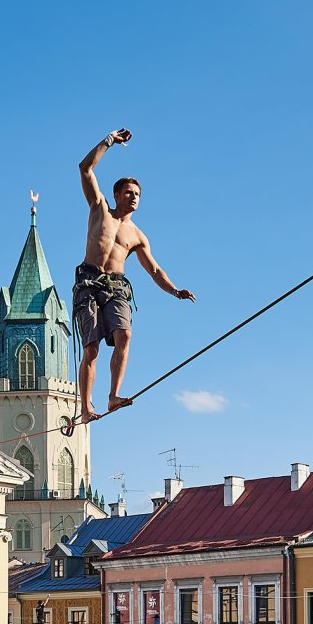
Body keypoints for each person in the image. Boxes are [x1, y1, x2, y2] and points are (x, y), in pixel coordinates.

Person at [74, 127, 196, 423]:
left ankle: (114, 395)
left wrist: (174, 290)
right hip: (89, 283)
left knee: (125, 334)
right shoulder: (99, 208)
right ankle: (86, 407)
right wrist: (109, 141)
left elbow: (153, 269)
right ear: (117, 194)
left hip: (116, 287)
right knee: (90, 349)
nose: (134, 197)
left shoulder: (138, 235)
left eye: (138, 194)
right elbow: (85, 168)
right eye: (129, 192)